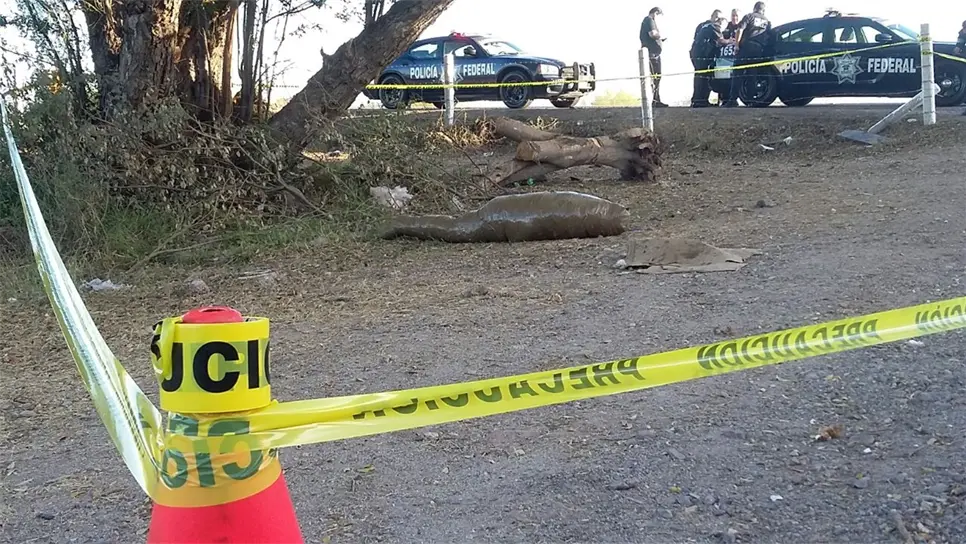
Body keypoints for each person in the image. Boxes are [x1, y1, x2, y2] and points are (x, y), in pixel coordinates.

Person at [723, 2, 771, 107]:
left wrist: (736, 45)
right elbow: (768, 36)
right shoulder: (767, 21)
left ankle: (733, 100)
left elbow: (739, 30)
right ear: (763, 10)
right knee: (752, 75)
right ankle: (750, 100)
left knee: (737, 73)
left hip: (746, 47)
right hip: (758, 49)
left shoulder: (749, 16)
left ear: (754, 8)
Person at [690, 17, 730, 107]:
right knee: (702, 78)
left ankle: (700, 100)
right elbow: (721, 40)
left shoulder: (706, 26)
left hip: (697, 53)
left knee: (701, 77)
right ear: (721, 23)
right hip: (702, 55)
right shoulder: (715, 27)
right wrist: (730, 41)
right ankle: (699, 101)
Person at [640, 7, 668, 108]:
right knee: (655, 76)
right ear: (656, 13)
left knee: (656, 77)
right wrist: (660, 36)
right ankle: (655, 100)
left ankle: (656, 99)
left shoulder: (647, 21)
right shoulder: (649, 20)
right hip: (652, 54)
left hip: (653, 53)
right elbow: (653, 34)